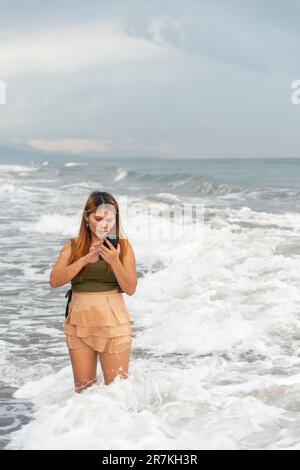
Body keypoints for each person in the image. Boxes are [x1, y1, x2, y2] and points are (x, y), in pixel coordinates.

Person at [49, 191, 137, 392]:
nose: (103, 224)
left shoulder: (123, 247)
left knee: (118, 393)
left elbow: (130, 288)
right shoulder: (73, 246)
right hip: (79, 324)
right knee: (84, 393)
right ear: (86, 218)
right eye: (98, 218)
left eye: (109, 219)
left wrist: (114, 261)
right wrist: (84, 260)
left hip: (113, 322)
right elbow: (55, 280)